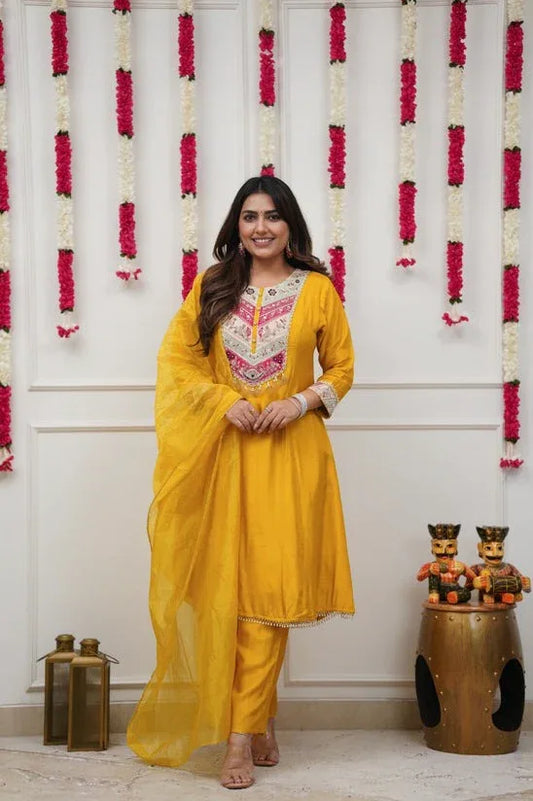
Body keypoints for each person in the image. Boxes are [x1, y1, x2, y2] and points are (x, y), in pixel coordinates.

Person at [126, 175, 355, 789]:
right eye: (249, 216)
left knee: (267, 600)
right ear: (236, 225)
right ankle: (259, 721)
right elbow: (177, 362)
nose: (260, 227)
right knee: (232, 597)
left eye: (272, 217)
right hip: (224, 459)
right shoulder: (213, 285)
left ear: (290, 225)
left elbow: (342, 368)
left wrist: (302, 401)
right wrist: (220, 398)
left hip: (292, 458)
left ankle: (235, 741)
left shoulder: (319, 291)